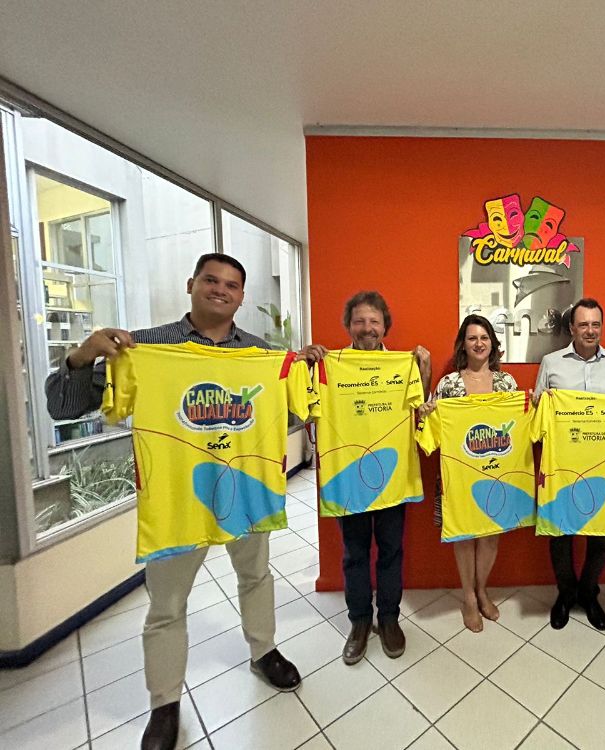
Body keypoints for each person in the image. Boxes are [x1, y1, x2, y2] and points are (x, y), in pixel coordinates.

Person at [45, 253, 324, 750]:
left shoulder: (260, 353)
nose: (221, 290)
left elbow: (285, 419)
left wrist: (299, 372)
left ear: (241, 296)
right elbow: (63, 407)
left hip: (245, 490)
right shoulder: (145, 347)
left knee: (256, 576)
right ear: (191, 284)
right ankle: (165, 703)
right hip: (175, 498)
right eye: (211, 280)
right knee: (167, 605)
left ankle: (263, 651)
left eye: (231, 285)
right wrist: (83, 355)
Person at [338, 291, 431, 664]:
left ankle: (389, 618)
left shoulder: (401, 365)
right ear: (349, 326)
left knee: (392, 550)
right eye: (360, 321)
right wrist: (309, 363)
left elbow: (420, 408)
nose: (367, 328)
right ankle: (360, 621)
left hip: (393, 475)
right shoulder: (332, 365)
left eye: (374, 321)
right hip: (349, 475)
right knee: (354, 553)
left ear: (384, 326)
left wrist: (423, 370)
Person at [534, 298, 605, 631]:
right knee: (560, 532)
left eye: (595, 324)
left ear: (601, 327)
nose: (590, 330)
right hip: (562, 465)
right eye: (583, 324)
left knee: (601, 535)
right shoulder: (551, 363)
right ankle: (566, 593)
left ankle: (589, 592)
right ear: (572, 328)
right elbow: (538, 414)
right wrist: (540, 403)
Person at [418, 315, 518, 632]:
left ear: (493, 344)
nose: (478, 343)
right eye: (472, 338)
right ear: (463, 345)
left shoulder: (507, 384)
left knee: (490, 534)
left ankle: (482, 589)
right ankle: (469, 598)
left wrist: (534, 405)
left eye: (484, 337)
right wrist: (426, 413)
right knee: (463, 534)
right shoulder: (448, 384)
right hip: (458, 475)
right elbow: (430, 429)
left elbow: (518, 426)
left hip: (497, 474)